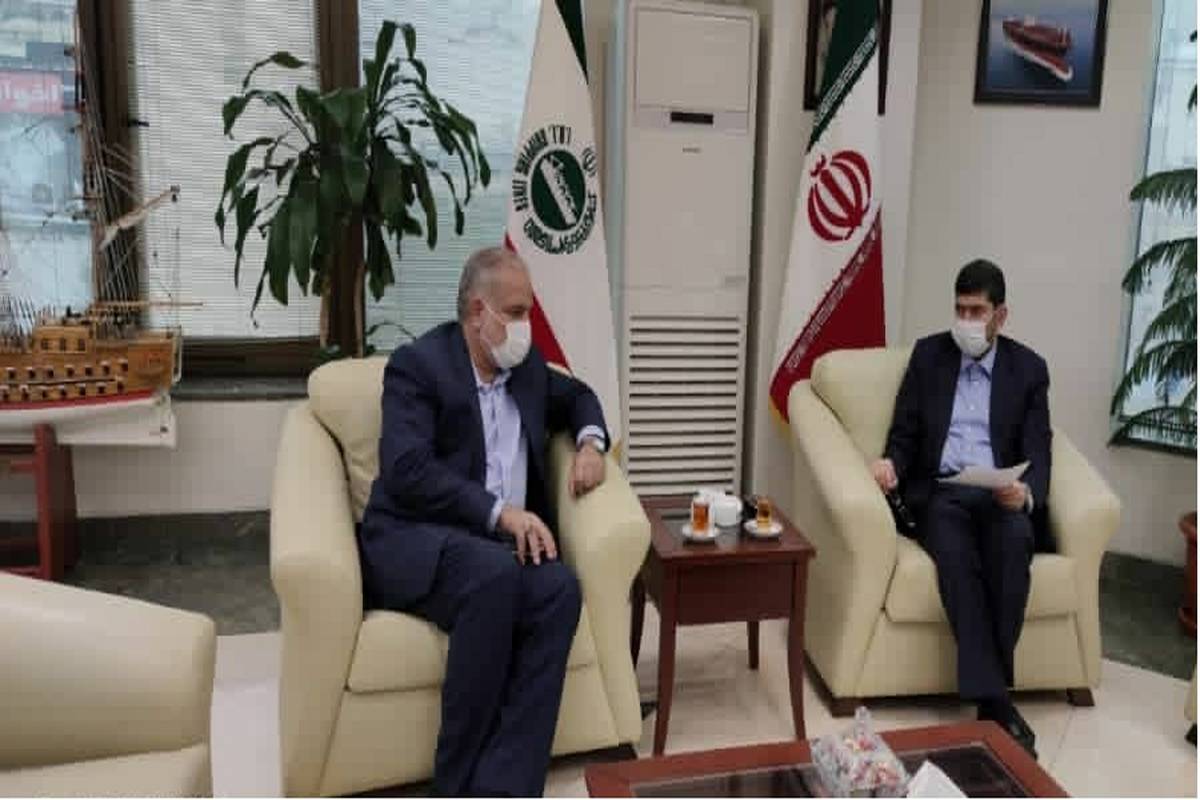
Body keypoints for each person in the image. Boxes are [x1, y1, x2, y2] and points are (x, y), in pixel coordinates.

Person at [357, 246, 610, 796]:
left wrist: (591, 444)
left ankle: (504, 787)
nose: (526, 326)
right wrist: (500, 513)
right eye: (515, 313)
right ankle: (454, 786)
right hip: (414, 540)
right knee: (493, 576)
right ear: (478, 312)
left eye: (528, 312)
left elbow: (580, 397)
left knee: (559, 589)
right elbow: (407, 469)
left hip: (493, 552)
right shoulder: (419, 367)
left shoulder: (527, 370)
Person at [870, 259, 1050, 759]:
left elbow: (1040, 448)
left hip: (998, 494)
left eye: (977, 311)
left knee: (1014, 545)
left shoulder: (1029, 370)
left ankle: (990, 697)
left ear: (1001, 316)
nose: (966, 321)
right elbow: (904, 432)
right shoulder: (929, 355)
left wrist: (1025, 492)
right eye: (960, 310)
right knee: (957, 561)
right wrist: (891, 463)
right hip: (943, 492)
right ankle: (996, 702)